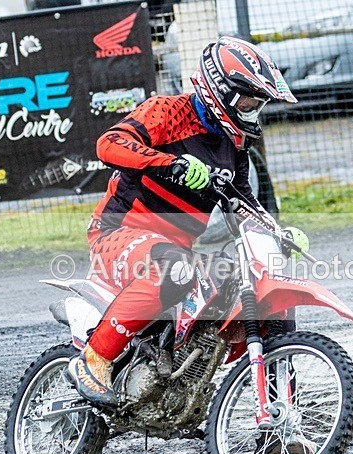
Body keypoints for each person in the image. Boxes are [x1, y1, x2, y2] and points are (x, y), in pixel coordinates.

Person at [68, 37, 302, 408]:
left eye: (257, 107)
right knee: (174, 269)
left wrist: (277, 232)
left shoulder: (234, 146)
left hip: (179, 249)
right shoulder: (167, 111)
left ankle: (278, 426)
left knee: (272, 297)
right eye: (247, 104)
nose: (252, 114)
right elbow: (109, 144)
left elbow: (241, 201)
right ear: (220, 91)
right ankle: (94, 359)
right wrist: (170, 163)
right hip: (118, 233)